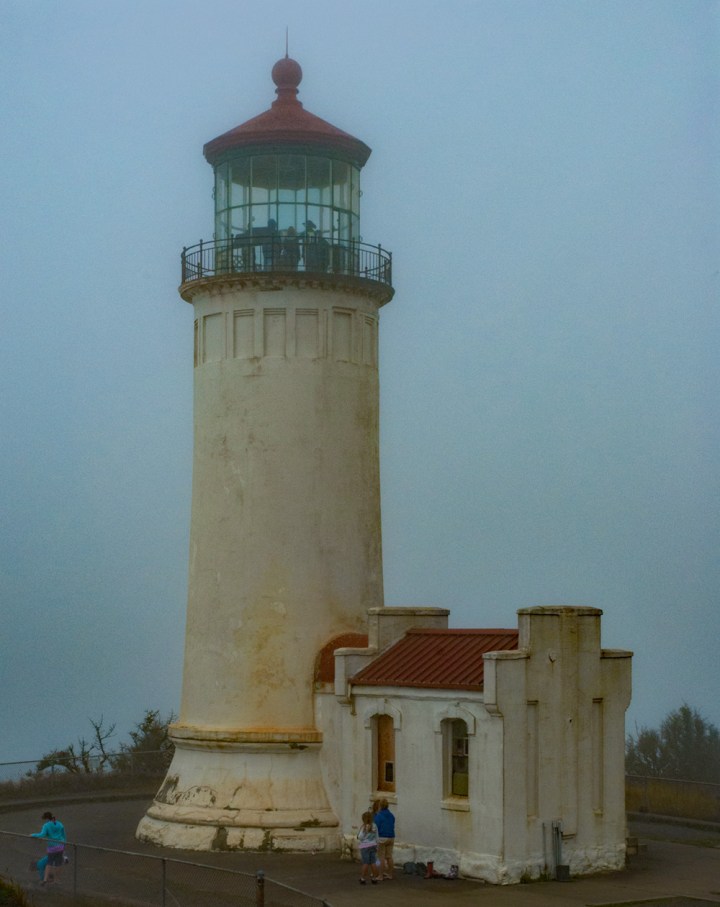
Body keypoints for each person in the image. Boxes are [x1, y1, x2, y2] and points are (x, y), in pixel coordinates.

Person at [31, 811, 66, 885]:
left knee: (49, 863)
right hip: (60, 847)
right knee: (58, 864)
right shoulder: (60, 824)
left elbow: (42, 834)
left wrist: (33, 835)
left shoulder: (46, 825)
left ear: (46, 818)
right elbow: (64, 835)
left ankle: (45, 880)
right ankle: (57, 880)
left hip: (52, 848)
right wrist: (64, 845)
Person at [356, 810, 380, 885]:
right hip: (373, 844)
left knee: (365, 862)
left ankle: (363, 878)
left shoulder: (363, 827)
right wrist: (377, 845)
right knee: (373, 862)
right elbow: (377, 836)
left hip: (364, 845)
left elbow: (360, 837)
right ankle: (374, 878)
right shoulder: (374, 826)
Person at [374, 797, 396, 879]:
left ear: (380, 806)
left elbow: (376, 827)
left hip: (382, 837)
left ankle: (380, 875)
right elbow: (393, 823)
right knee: (389, 856)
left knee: (381, 857)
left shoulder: (378, 816)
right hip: (391, 836)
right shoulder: (391, 815)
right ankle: (390, 874)